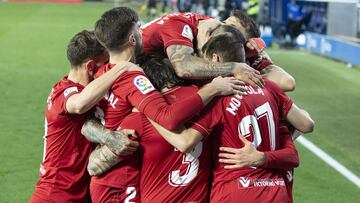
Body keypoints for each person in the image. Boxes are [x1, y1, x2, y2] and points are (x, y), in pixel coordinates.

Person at [80, 7, 243, 203]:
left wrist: (106, 137)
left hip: (103, 180)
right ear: (132, 39)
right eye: (140, 29)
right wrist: (213, 89)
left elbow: (84, 122)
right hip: (122, 183)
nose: (144, 33)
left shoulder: (101, 75)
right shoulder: (133, 79)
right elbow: (168, 118)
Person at [150, 30, 314, 202]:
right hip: (275, 192)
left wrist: (150, 111)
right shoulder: (269, 87)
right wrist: (265, 154)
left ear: (216, 59)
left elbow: (185, 141)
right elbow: (306, 125)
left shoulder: (216, 97)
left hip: (235, 191)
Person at [28, 30, 139, 203]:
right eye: (106, 64)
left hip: (75, 195)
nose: (109, 68)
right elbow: (78, 105)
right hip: (56, 195)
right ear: (90, 67)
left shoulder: (86, 93)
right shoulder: (64, 92)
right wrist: (123, 67)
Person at [141, 11, 264, 87]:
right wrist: (233, 68)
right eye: (227, 27)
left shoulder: (203, 28)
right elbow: (183, 67)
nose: (223, 28)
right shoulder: (179, 26)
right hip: (127, 69)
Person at [224, 9, 296, 92]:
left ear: (248, 42)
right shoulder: (207, 38)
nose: (223, 27)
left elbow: (288, 83)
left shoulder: (251, 61)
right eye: (223, 23)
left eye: (232, 27)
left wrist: (259, 57)